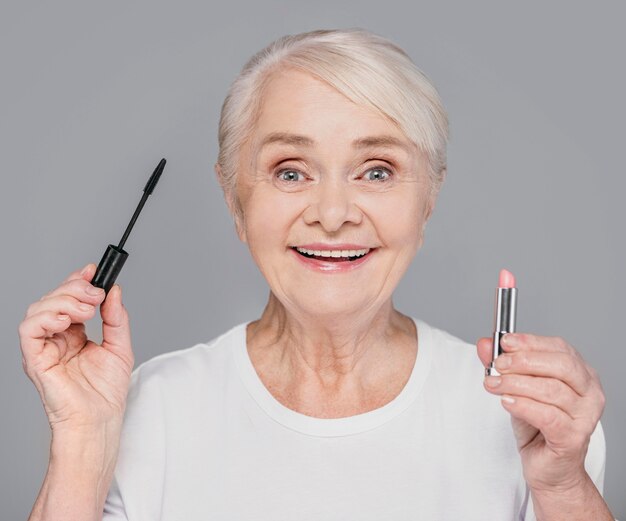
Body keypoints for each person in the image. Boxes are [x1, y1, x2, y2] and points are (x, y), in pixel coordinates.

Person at [19, 29, 614, 521]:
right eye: (290, 172)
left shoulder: (527, 418)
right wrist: (83, 438)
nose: (332, 214)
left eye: (377, 171)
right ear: (235, 202)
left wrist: (562, 491)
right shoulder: (151, 409)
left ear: (428, 199)